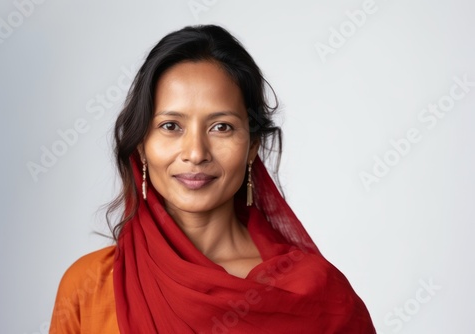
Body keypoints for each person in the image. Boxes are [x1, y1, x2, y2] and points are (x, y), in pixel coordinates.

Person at [50, 24, 376, 333]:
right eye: (171, 126)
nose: (195, 152)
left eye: (221, 127)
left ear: (252, 147)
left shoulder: (320, 293)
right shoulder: (90, 285)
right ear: (142, 146)